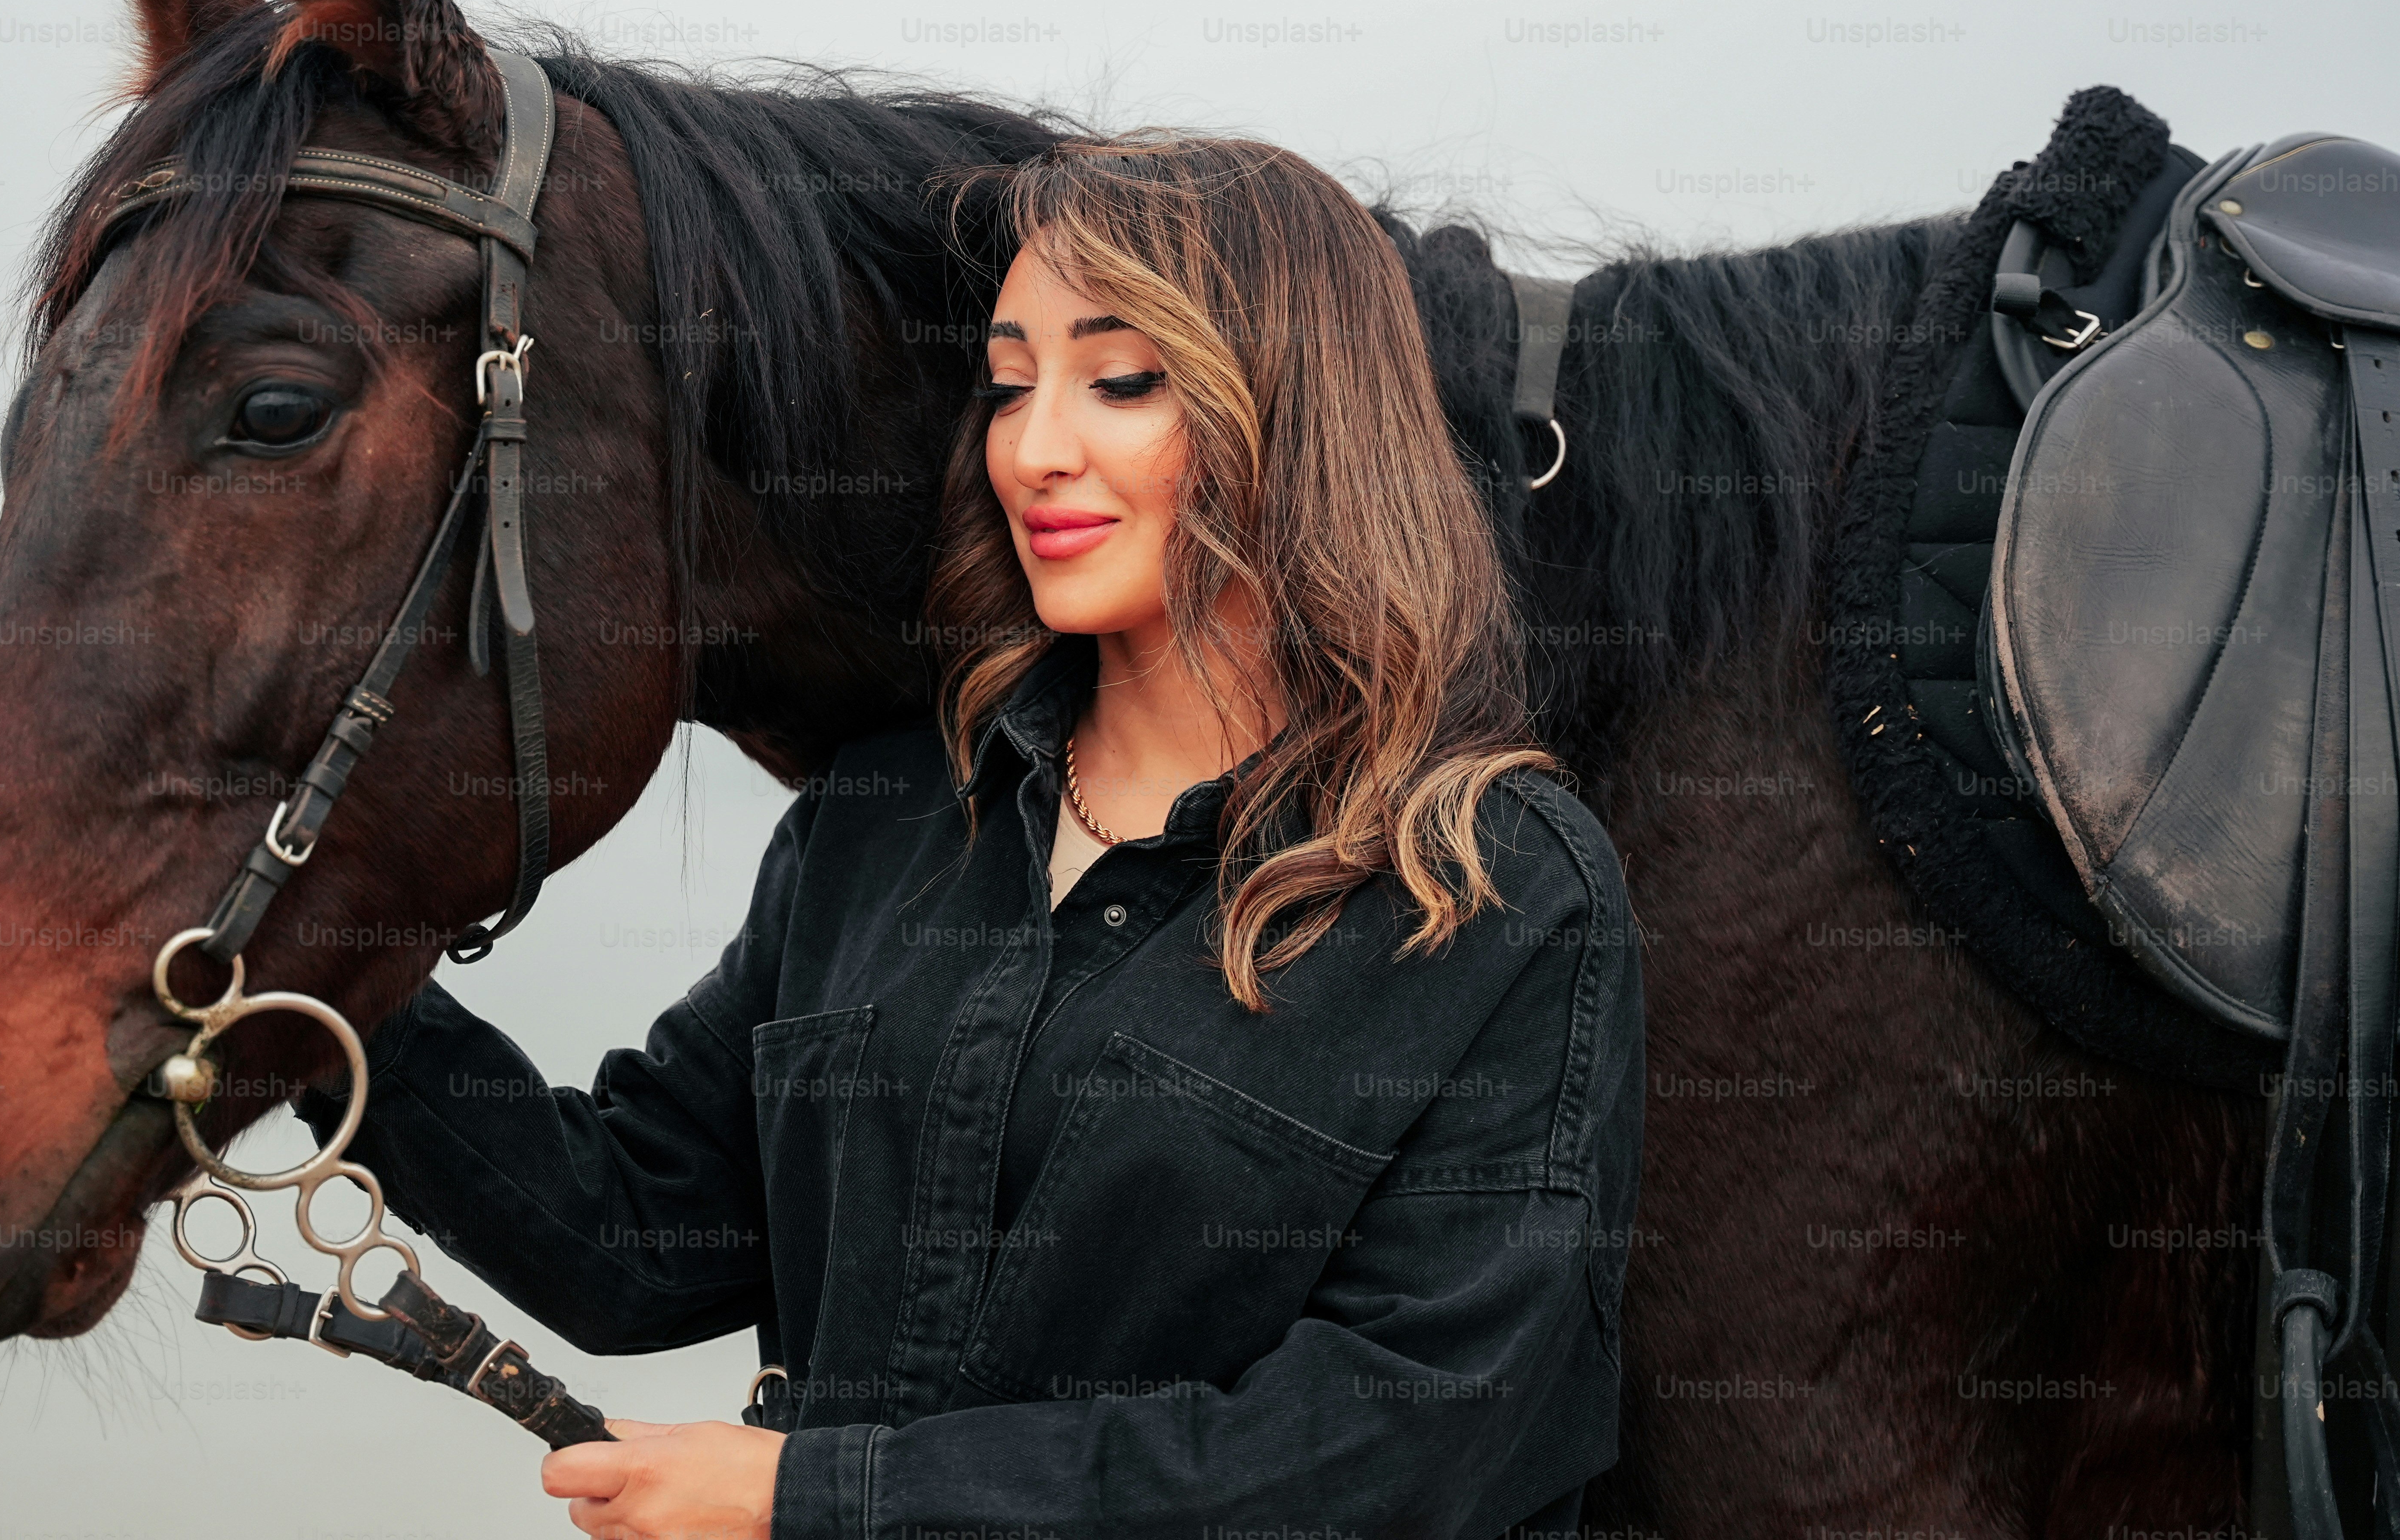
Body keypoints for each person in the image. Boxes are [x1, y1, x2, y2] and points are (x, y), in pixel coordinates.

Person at [303, 135, 1645, 1538]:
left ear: (1303, 416)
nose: (1035, 450)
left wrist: (815, 1499)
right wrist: (308, 989)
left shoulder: (1493, 890)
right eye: (1010, 387)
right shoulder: (886, 819)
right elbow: (633, 1239)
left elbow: (1410, 1446)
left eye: (1121, 381)